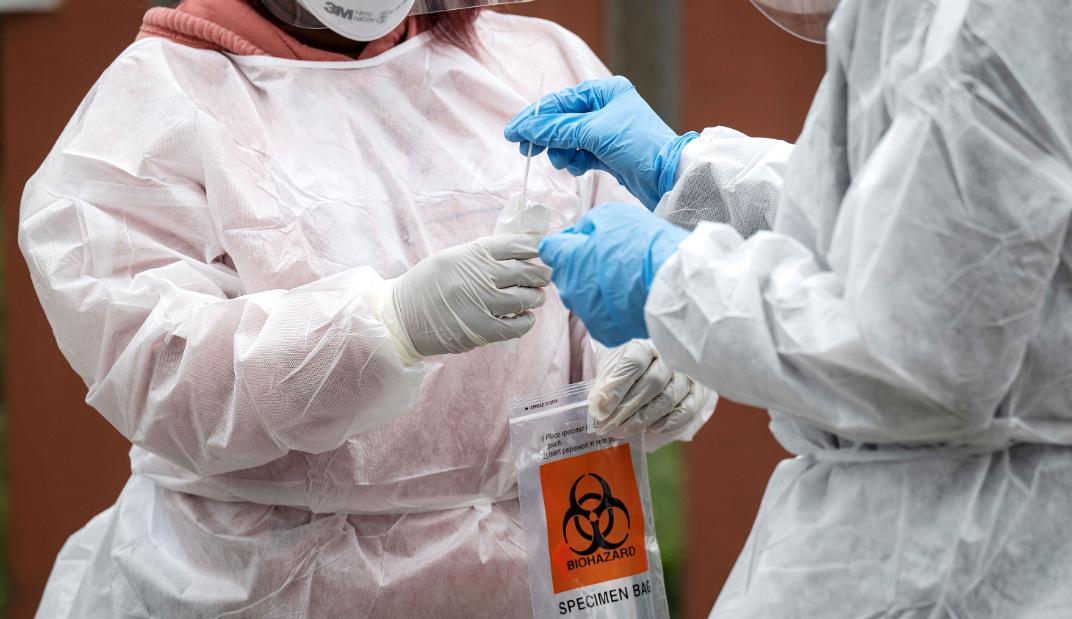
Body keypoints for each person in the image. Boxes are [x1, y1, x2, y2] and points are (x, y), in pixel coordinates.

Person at [20, 0, 713, 616]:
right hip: (271, 585)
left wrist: (653, 352)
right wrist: (386, 326)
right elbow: (159, 370)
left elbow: (631, 254)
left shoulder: (535, 63)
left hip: (557, 563)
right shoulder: (157, 101)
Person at [506, 0, 1072, 616]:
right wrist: (690, 171)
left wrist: (675, 282)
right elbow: (930, 222)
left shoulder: (1001, 19)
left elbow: (922, 350)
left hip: (966, 555)